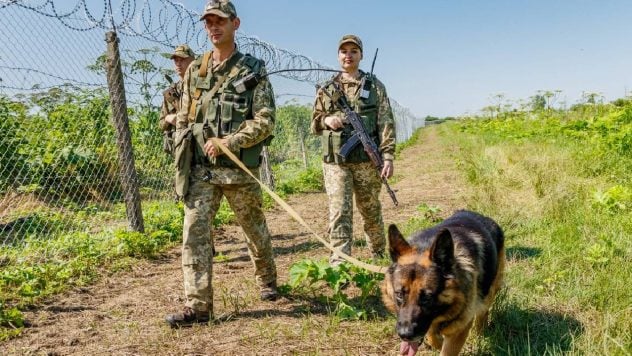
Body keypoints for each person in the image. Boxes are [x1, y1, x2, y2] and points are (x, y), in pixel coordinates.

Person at [166, 0, 278, 327]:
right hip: (201, 170)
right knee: (194, 232)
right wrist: (183, 160)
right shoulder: (196, 71)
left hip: (237, 169)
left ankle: (267, 280)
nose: (214, 27)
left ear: (235, 24)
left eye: (220, 21)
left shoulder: (252, 70)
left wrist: (230, 142)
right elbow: (184, 119)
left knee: (254, 229)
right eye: (208, 22)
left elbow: (266, 120)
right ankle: (198, 306)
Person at [311, 34, 396, 266]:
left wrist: (387, 156)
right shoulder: (327, 89)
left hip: (366, 161)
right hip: (336, 162)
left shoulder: (374, 86)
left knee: (370, 210)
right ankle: (340, 260)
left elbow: (385, 122)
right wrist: (327, 120)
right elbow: (314, 122)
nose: (348, 56)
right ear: (338, 55)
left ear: (361, 55)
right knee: (339, 211)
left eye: (353, 51)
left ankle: (378, 253)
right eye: (344, 51)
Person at [159, 44, 196, 155]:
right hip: (180, 147)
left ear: (192, 61)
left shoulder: (201, 87)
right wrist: (168, 119)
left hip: (199, 144)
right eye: (176, 60)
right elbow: (161, 124)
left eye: (183, 60)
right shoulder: (171, 93)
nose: (178, 64)